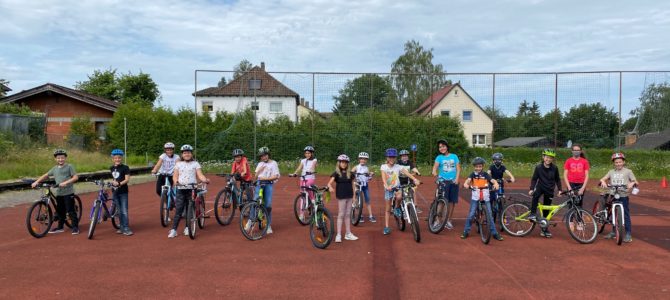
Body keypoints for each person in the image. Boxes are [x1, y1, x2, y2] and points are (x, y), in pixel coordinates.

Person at [32, 149, 80, 235]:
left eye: (62, 158)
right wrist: (36, 182)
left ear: (65, 158)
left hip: (68, 192)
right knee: (60, 210)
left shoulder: (69, 166)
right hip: (59, 193)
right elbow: (46, 175)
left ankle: (75, 227)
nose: (60, 159)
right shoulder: (54, 168)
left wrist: (66, 182)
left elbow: (75, 177)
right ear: (55, 159)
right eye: (58, 158)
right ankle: (60, 227)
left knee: (70, 210)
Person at [168, 145, 209, 238]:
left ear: (191, 154)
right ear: (182, 154)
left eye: (189, 152)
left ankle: (187, 227)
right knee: (179, 209)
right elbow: (175, 176)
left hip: (192, 189)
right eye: (185, 152)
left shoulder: (195, 163)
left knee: (189, 208)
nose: (187, 154)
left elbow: (200, 175)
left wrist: (205, 179)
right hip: (181, 189)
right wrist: (176, 182)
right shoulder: (178, 164)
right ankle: (174, 230)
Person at [599, 152, 639, 243]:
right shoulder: (611, 172)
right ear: (614, 163)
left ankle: (628, 233)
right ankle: (613, 231)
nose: (618, 164)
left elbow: (635, 181)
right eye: (616, 162)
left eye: (620, 162)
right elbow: (603, 178)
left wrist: (632, 183)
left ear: (623, 162)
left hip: (623, 195)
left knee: (625, 214)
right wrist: (603, 181)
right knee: (612, 212)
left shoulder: (628, 171)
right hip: (613, 194)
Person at [381, 148, 421, 235]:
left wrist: (414, 179)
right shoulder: (383, 167)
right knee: (387, 209)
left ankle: (396, 208)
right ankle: (387, 226)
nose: (392, 159)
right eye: (390, 157)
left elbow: (407, 173)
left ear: (395, 158)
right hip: (388, 188)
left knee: (399, 196)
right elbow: (384, 178)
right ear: (387, 158)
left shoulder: (398, 166)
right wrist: (387, 186)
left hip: (397, 187)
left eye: (393, 157)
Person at [461, 157, 503, 241]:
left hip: (485, 196)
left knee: (489, 215)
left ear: (482, 166)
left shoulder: (485, 174)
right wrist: (466, 184)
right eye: (476, 166)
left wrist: (496, 184)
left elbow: (492, 180)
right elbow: (468, 181)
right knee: (471, 214)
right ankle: (466, 231)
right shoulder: (472, 174)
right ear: (474, 167)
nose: (478, 168)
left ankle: (494, 233)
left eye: (480, 166)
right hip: (475, 196)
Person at [528, 149, 563, 238]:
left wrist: (560, 189)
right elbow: (534, 179)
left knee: (546, 210)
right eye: (547, 157)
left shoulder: (554, 168)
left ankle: (544, 229)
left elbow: (557, 179)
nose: (548, 159)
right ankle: (532, 214)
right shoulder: (538, 167)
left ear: (552, 159)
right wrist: (531, 189)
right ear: (543, 157)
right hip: (540, 187)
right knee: (535, 196)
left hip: (550, 189)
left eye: (551, 158)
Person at [327, 154, 358, 243]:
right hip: (341, 196)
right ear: (339, 163)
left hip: (349, 195)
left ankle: (348, 233)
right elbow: (329, 183)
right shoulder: (336, 173)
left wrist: (354, 196)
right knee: (341, 214)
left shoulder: (350, 174)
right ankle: (339, 234)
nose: (344, 164)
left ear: (347, 164)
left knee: (348, 214)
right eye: (342, 162)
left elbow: (353, 184)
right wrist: (330, 186)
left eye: (345, 163)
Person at [431, 139, 461, 230]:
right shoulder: (439, 157)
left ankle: (449, 220)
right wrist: (436, 175)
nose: (442, 148)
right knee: (441, 201)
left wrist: (457, 179)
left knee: (452, 202)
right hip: (443, 181)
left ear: (447, 147)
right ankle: (437, 220)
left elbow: (458, 169)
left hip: (453, 182)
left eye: (443, 146)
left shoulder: (454, 156)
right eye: (440, 147)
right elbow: (434, 169)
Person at [253, 146, 280, 234]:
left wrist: (266, 178)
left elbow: (276, 176)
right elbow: (256, 177)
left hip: (268, 184)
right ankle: (250, 221)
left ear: (268, 155)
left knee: (268, 205)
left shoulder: (273, 163)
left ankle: (268, 225)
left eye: (265, 155)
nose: (264, 157)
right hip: (259, 184)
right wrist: (259, 171)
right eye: (262, 156)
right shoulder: (260, 164)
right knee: (255, 202)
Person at [290, 146, 318, 222]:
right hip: (303, 178)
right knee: (302, 195)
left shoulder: (314, 160)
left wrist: (311, 170)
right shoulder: (303, 160)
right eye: (306, 153)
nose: (307, 154)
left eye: (309, 153)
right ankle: (301, 214)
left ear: (312, 153)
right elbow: (299, 168)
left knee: (307, 187)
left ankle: (312, 200)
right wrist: (295, 173)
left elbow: (313, 166)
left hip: (310, 178)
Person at [110, 149, 132, 236]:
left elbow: (127, 179)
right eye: (115, 158)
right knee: (119, 210)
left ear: (121, 158)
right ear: (113, 159)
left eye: (119, 158)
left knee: (124, 211)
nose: (117, 159)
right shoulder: (111, 168)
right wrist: (113, 183)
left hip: (123, 192)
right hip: (115, 192)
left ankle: (126, 227)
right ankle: (121, 227)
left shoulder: (125, 168)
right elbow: (114, 179)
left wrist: (119, 184)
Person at [487, 152, 515, 220]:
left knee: (501, 198)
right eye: (496, 160)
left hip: (500, 184)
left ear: (501, 160)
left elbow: (507, 172)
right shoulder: (492, 167)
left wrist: (512, 177)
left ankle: (502, 214)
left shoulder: (503, 167)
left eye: (499, 160)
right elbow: (488, 173)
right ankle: (490, 213)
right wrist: (489, 178)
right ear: (493, 161)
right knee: (491, 198)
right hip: (493, 184)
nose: (497, 161)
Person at [351, 152, 375, 223]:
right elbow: (351, 173)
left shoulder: (367, 168)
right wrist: (351, 173)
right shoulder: (356, 167)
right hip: (358, 185)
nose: (363, 160)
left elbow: (368, 178)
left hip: (365, 186)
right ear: (359, 159)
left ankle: (371, 216)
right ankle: (360, 215)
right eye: (361, 159)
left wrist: (371, 175)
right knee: (357, 200)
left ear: (366, 160)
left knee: (367, 200)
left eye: (364, 159)